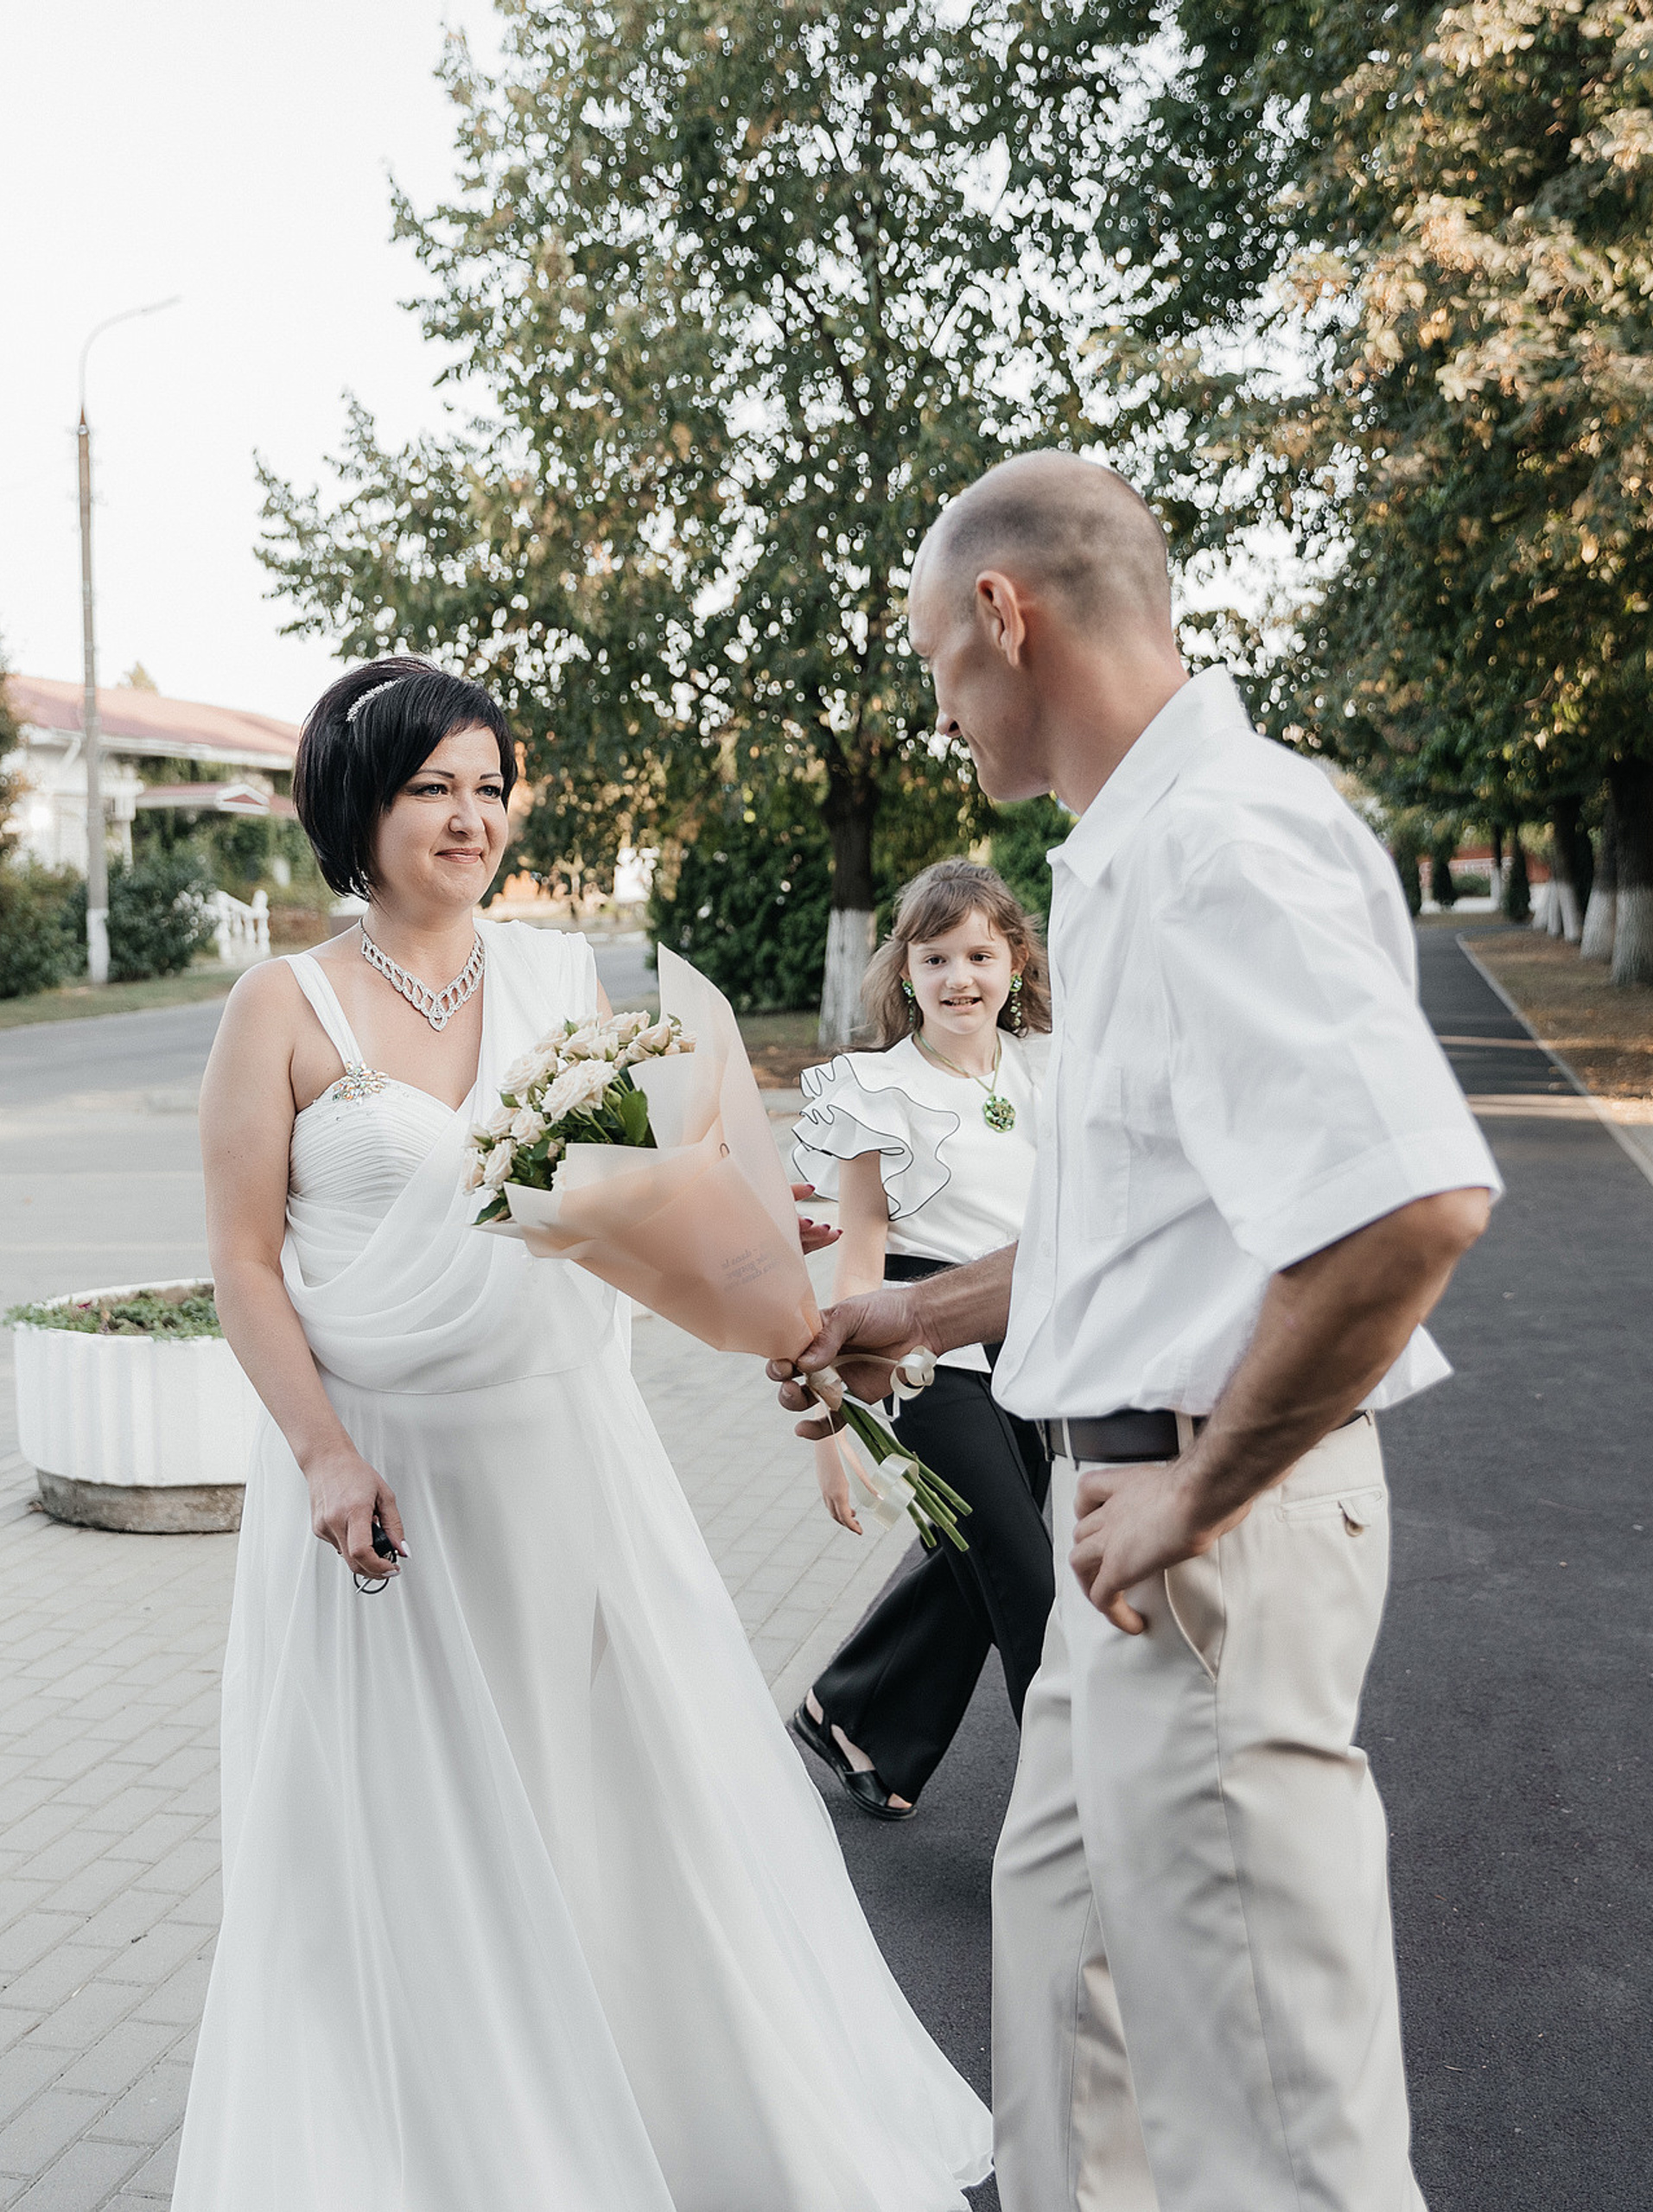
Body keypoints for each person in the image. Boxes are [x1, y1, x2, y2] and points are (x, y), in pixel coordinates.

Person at [772, 454, 1498, 2211]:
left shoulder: (1217, 844)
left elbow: (1408, 1201)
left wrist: (1193, 1496)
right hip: (1125, 1552)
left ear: (1003, 615)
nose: (938, 703)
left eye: (936, 657)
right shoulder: (1120, 853)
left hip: (1202, 1540)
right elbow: (1141, 1232)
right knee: (1074, 2035)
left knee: (1272, 2114)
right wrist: (908, 1311)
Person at [175, 657, 991, 2210]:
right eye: (433, 787)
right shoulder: (277, 1008)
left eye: (491, 785)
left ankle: (655, 2115)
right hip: (389, 1488)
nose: (471, 817)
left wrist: (774, 1291)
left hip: (567, 1460)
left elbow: (667, 1198)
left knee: (618, 1798)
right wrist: (323, 1458)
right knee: (403, 1830)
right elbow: (242, 1264)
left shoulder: (570, 985)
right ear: (359, 803)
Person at [789, 859, 1054, 1821]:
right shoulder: (874, 1089)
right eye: (934, 956)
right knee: (1029, 1586)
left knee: (976, 1556)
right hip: (922, 1356)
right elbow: (859, 1259)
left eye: (979, 954)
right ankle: (1075, 1817)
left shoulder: (1048, 1067)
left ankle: (851, 1710)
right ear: (904, 971)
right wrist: (834, 1425)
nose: (958, 978)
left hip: (1031, 1347)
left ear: (1014, 961)